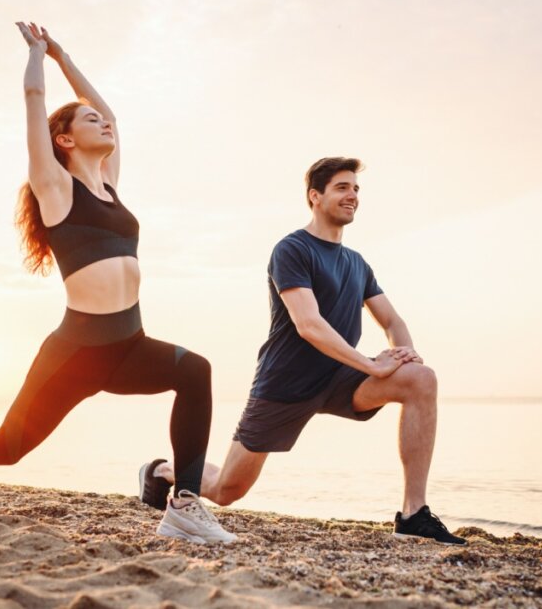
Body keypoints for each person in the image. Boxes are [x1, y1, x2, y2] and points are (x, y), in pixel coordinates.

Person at [0, 22, 235, 544]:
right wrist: (38, 55)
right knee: (9, 445)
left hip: (128, 344)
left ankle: (184, 503)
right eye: (88, 119)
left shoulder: (110, 185)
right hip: (75, 351)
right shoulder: (54, 187)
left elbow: (112, 113)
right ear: (64, 140)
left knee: (195, 372)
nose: (105, 122)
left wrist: (67, 56)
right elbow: (33, 97)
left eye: (103, 119)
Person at [139, 157, 466, 545]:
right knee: (228, 490)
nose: (353, 196)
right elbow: (308, 325)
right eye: (343, 187)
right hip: (285, 383)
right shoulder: (292, 249)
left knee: (421, 379)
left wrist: (403, 355)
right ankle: (161, 472)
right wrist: (372, 365)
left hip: (341, 378)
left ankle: (413, 514)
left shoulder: (358, 264)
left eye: (357, 189)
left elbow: (392, 322)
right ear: (315, 196)